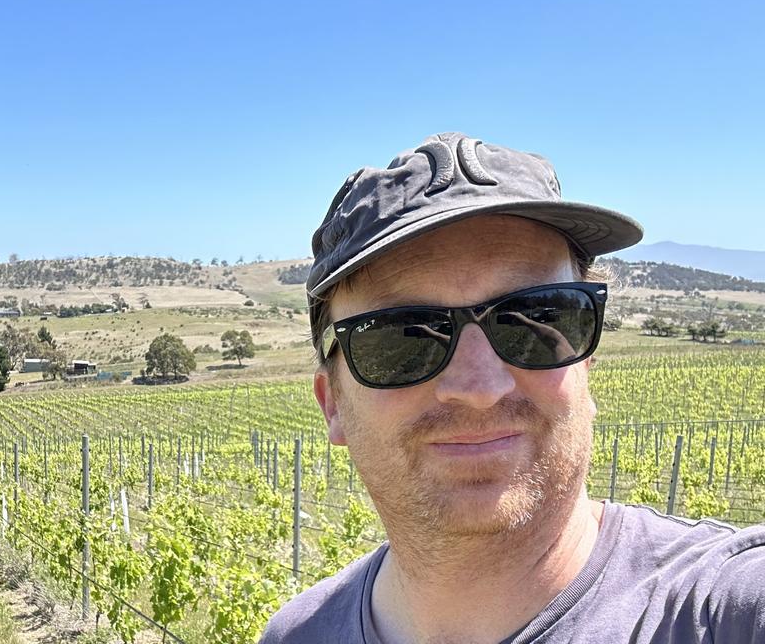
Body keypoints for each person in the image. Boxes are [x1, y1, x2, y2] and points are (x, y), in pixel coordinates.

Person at [260, 133, 765, 643]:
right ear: (333, 406)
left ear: (586, 365)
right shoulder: (297, 635)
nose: (479, 387)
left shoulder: (727, 613)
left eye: (534, 318)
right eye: (403, 336)